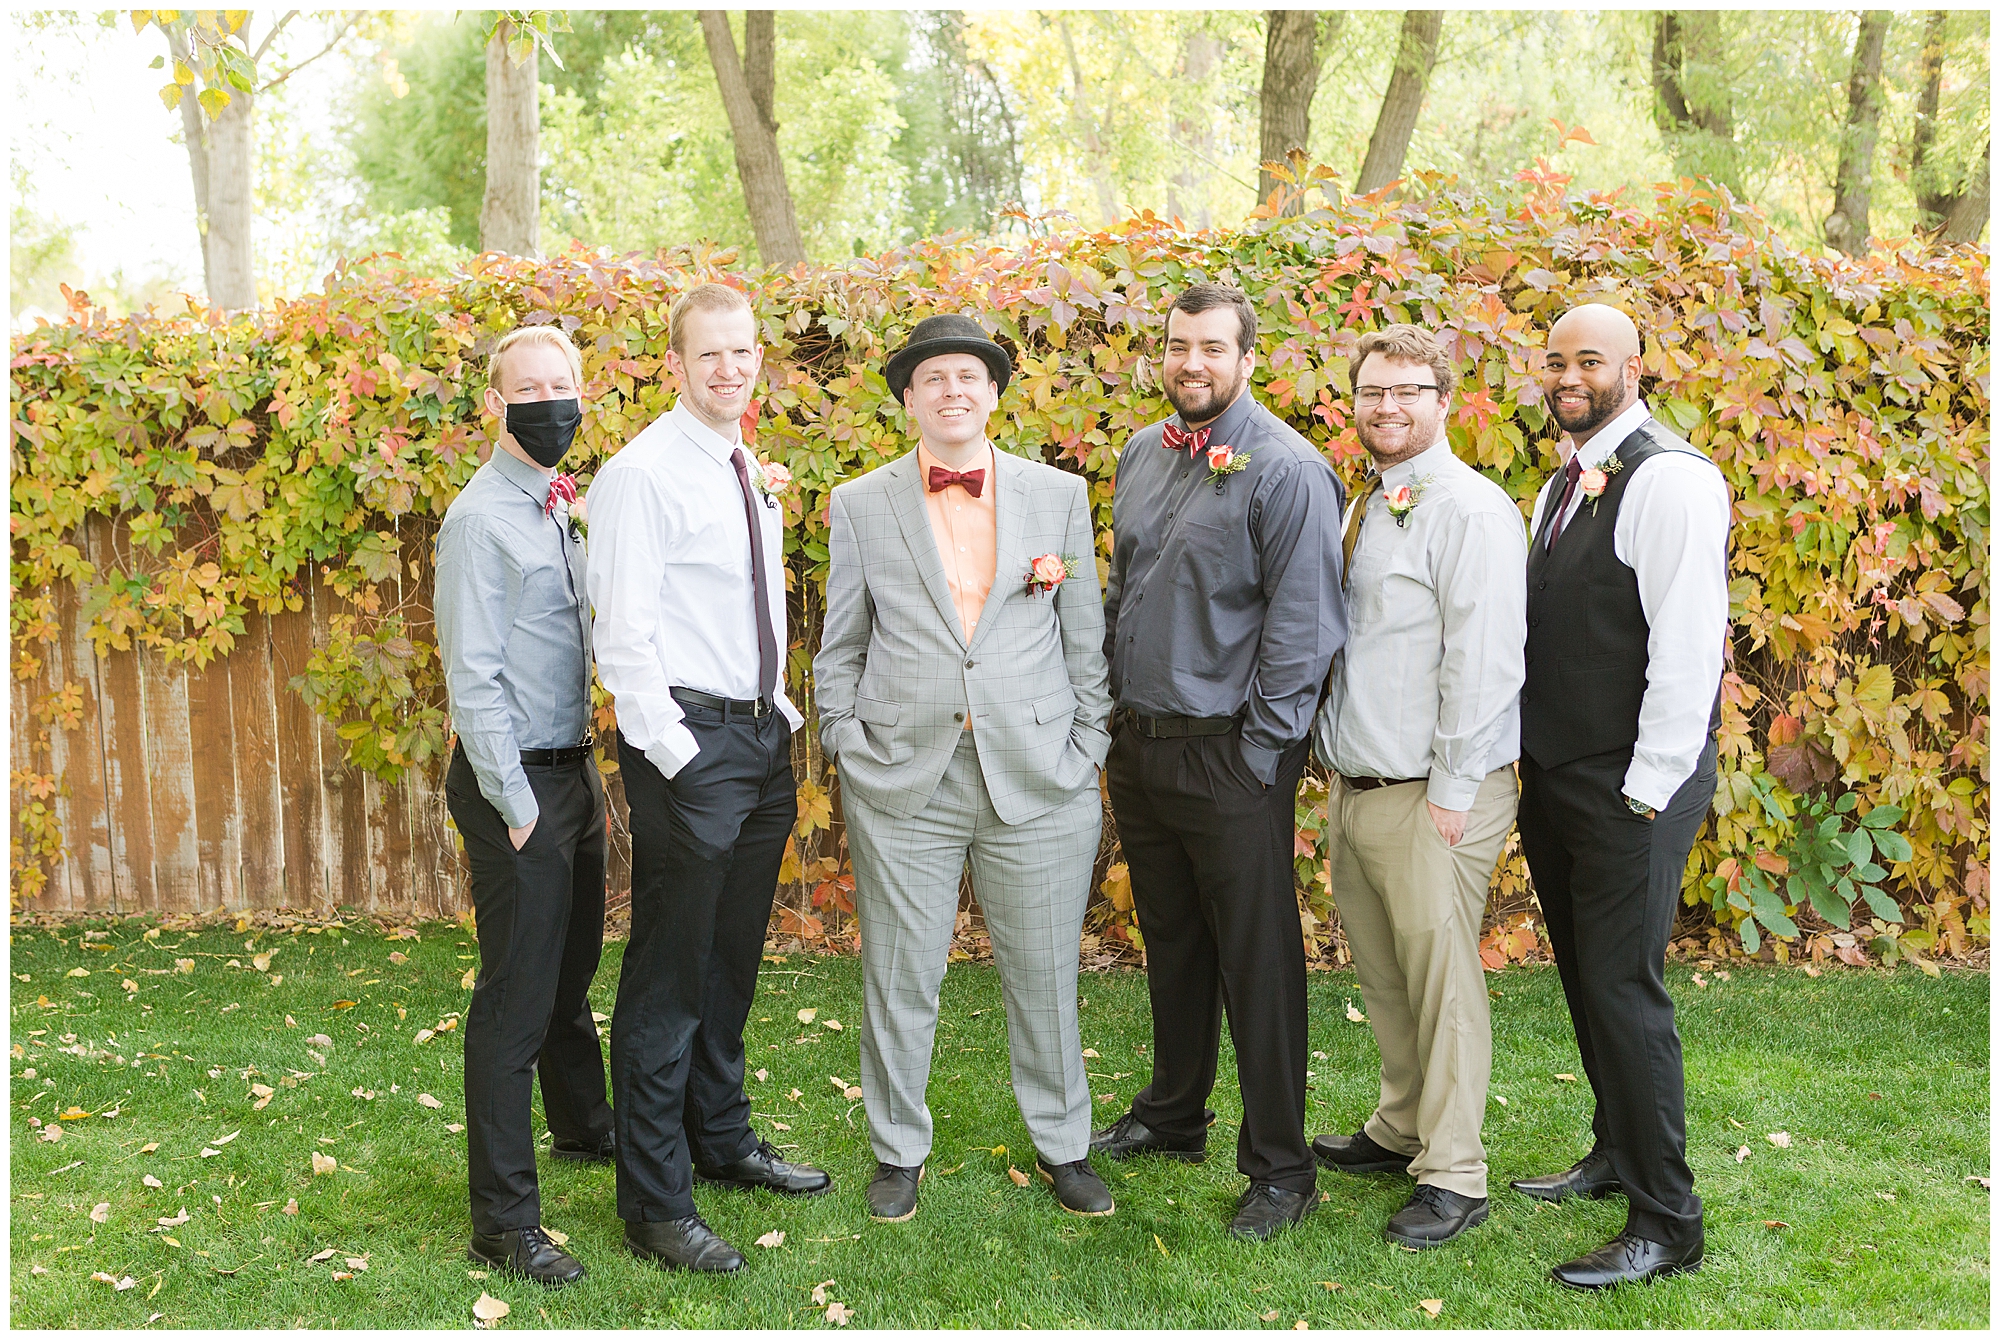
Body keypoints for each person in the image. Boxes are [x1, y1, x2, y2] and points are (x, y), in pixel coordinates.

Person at [815, 314, 1117, 1225]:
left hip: (1037, 775)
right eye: (934, 378)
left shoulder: (1057, 497)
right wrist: (845, 740)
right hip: (905, 777)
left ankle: (1065, 1145)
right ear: (909, 399)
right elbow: (842, 644)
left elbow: (1085, 640)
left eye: (969, 377)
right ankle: (896, 1151)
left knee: (1045, 974)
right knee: (901, 974)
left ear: (993, 394)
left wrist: (1086, 746)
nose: (952, 391)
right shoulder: (860, 502)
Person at [585, 282, 831, 1276]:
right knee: (667, 976)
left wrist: (774, 719)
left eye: (742, 353)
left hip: (757, 740)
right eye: (709, 355)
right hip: (689, 744)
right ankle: (653, 1201)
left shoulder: (741, 467)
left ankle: (719, 1138)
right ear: (674, 365)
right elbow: (623, 631)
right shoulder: (642, 474)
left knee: (730, 963)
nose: (728, 369)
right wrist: (675, 752)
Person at [1092, 282, 1346, 1241]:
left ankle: (1283, 1165)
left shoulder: (1286, 469)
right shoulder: (1143, 454)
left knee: (1258, 956)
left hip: (1233, 757)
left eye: (1210, 346)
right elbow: (1125, 595)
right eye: (1176, 345)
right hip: (1145, 746)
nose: (1190, 362)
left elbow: (1303, 625)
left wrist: (1260, 752)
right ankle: (1172, 1113)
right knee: (1174, 940)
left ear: (1248, 357)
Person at [1512, 302, 1729, 1289]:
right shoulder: (1560, 480)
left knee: (1622, 990)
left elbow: (1686, 647)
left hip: (1629, 785)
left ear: (1631, 367)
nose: (1567, 374)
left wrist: (1643, 790)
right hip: (1559, 774)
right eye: (1554, 358)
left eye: (1587, 358)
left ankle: (1666, 1217)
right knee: (1583, 980)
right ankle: (1611, 1151)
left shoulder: (1670, 479)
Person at [1308, 324, 1527, 1249]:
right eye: (1372, 392)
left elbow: (1484, 663)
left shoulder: (1469, 511)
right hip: (1359, 787)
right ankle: (1401, 1126)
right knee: (1386, 974)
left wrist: (1452, 787)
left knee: (1441, 984)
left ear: (1444, 401)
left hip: (1436, 792)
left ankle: (1456, 1171)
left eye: (1407, 392)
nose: (1386, 408)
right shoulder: (1370, 500)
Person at [435, 325, 612, 1286]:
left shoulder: (555, 507)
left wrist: (581, 787)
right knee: (515, 998)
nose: (551, 402)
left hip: (569, 770)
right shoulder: (479, 521)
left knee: (569, 968)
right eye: (528, 388)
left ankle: (586, 1127)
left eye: (564, 385)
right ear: (495, 405)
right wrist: (516, 804)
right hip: (518, 784)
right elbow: (475, 677)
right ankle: (503, 1221)